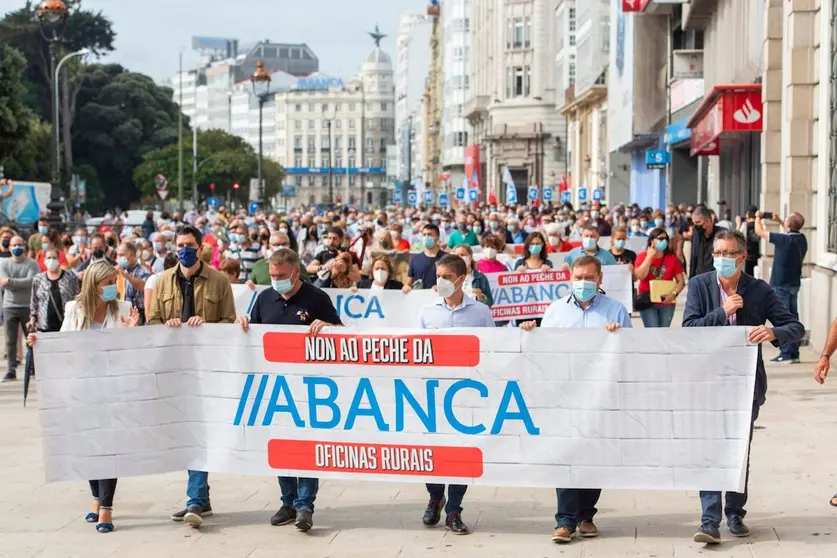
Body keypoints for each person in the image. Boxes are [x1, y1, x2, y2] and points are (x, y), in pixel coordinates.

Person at [682, 230, 804, 545]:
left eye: (728, 253)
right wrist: (723, 312)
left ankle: (735, 513)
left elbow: (795, 327)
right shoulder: (699, 285)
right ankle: (709, 521)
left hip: (746, 385)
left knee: (738, 451)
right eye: (717, 253)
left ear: (742, 256)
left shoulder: (760, 290)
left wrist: (772, 332)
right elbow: (689, 330)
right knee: (710, 451)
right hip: (709, 382)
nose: (722, 258)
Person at [519, 255, 631, 544]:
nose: (583, 283)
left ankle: (586, 515)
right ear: (570, 277)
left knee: (595, 456)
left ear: (600, 279)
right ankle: (565, 520)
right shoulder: (555, 311)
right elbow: (543, 349)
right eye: (578, 277)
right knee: (566, 454)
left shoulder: (616, 311)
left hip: (600, 395)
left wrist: (618, 337)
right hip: (564, 394)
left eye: (589, 278)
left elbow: (632, 352)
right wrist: (530, 333)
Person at [27, 260, 139, 533]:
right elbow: (64, 346)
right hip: (81, 390)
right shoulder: (74, 309)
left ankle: (106, 508)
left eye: (116, 282)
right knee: (87, 447)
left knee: (108, 447)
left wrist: (130, 335)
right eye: (108, 283)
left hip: (112, 390)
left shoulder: (124, 309)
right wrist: (38, 343)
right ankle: (96, 498)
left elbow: (134, 354)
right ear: (93, 284)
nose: (114, 287)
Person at [235, 248, 342, 532]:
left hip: (308, 388)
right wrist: (242, 324)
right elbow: (253, 334)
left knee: (306, 446)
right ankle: (288, 501)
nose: (275, 280)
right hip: (275, 388)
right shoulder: (264, 298)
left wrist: (329, 326)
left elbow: (343, 334)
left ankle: (305, 505)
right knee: (282, 446)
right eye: (271, 275)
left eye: (281, 275)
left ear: (296, 273)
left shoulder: (317, 298)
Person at [147, 225, 236, 529]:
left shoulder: (219, 281)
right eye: (179, 244)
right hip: (176, 366)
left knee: (198, 430)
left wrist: (207, 327)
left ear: (200, 248)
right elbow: (153, 319)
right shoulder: (162, 281)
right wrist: (167, 324)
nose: (183, 249)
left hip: (206, 367)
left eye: (189, 245)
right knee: (187, 431)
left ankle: (195, 499)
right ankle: (202, 496)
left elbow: (229, 322)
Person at [418, 254, 495, 535]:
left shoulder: (480, 312)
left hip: (467, 396)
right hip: (433, 396)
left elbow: (492, 350)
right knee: (435, 453)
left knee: (462, 454)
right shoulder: (427, 312)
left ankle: (454, 510)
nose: (440, 282)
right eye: (438, 277)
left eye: (447, 277)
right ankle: (435, 497)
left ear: (461, 279)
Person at [754, 211, 807, 364]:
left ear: (788, 224)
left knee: (783, 320)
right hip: (794, 284)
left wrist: (758, 216)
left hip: (781, 284)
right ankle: (794, 353)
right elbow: (790, 228)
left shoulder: (783, 240)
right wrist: (777, 220)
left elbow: (759, 231)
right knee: (793, 319)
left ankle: (786, 353)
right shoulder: (801, 239)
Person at [0, 236, 40, 381]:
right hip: (9, 306)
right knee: (10, 341)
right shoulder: (4, 264)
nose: (17, 247)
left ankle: (33, 366)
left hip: (29, 307)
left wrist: (10, 282)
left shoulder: (32, 263)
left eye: (19, 244)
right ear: (9, 248)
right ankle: (11, 369)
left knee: (31, 339)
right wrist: (19, 283)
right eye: (14, 245)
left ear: (24, 246)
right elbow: (2, 281)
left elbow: (31, 281)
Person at [634, 228, 685, 328]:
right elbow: (640, 275)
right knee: (653, 332)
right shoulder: (641, 256)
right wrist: (649, 257)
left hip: (666, 302)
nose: (664, 241)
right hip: (647, 301)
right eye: (660, 238)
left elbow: (681, 281)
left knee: (663, 333)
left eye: (666, 239)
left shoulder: (672, 258)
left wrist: (674, 294)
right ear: (651, 240)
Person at [29, 247, 81, 335]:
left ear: (59, 259)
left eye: (54, 258)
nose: (51, 260)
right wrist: (32, 320)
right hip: (44, 327)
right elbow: (34, 302)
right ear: (44, 260)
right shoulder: (38, 279)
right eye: (49, 258)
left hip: (66, 326)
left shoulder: (70, 277)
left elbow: (78, 298)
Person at [114, 241, 151, 324]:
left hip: (138, 315)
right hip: (122, 313)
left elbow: (143, 286)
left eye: (122, 255)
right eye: (118, 255)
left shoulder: (142, 271)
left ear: (132, 254)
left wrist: (125, 274)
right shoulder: (117, 272)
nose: (119, 258)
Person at [404, 223, 444, 291]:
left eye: (430, 234)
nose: (426, 237)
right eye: (424, 234)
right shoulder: (415, 259)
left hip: (440, 299)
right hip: (420, 299)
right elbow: (409, 282)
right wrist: (406, 287)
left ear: (437, 237)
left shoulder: (446, 258)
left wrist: (441, 287)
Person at [689, 205, 724, 278]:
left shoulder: (722, 234)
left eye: (698, 222)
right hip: (699, 279)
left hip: (716, 279)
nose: (695, 226)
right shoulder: (696, 234)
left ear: (708, 221)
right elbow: (693, 258)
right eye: (694, 223)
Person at [738, 206, 761, 276]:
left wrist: (738, 224)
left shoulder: (745, 225)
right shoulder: (760, 225)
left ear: (748, 214)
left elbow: (737, 237)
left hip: (748, 256)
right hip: (758, 255)